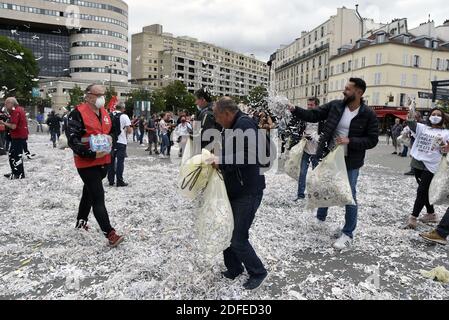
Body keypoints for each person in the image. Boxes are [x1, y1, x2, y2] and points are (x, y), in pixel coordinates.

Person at [288, 78, 379, 250]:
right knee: (323, 185)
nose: (344, 91)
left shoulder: (368, 114)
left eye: (348, 89)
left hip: (350, 161)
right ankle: (321, 218)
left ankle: (348, 233)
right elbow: (314, 115)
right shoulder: (336, 106)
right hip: (329, 156)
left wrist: (350, 140)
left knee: (349, 195)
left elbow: (372, 140)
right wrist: (294, 109)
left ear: (358, 93)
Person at [211, 97, 268, 291]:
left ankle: (258, 271)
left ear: (227, 114)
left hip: (248, 191)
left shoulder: (244, 124)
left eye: (217, 117)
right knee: (226, 231)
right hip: (235, 188)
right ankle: (234, 268)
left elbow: (250, 156)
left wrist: (221, 161)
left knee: (238, 237)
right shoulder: (232, 126)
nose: (216, 121)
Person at [66, 84, 124, 247]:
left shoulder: (105, 113)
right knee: (98, 197)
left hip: (103, 161)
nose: (102, 97)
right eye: (98, 94)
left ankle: (81, 221)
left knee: (88, 193)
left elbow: (114, 130)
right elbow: (73, 140)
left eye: (103, 94)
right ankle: (110, 234)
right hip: (86, 162)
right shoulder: (77, 113)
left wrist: (111, 137)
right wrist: (91, 153)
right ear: (88, 96)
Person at [404, 107, 449, 229]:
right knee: (424, 190)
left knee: (422, 190)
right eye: (433, 114)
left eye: (438, 115)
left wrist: (447, 147)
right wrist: (411, 112)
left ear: (442, 118)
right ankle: (431, 214)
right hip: (418, 162)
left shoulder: (446, 132)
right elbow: (411, 123)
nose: (435, 116)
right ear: (429, 116)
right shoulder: (422, 127)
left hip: (433, 164)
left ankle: (413, 217)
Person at [296, 97, 321, 201]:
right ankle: (300, 195)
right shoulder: (305, 117)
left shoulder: (322, 117)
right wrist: (302, 135)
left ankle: (316, 195)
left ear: (317, 105)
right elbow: (299, 130)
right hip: (306, 149)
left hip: (317, 151)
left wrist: (316, 137)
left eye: (311, 105)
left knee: (317, 174)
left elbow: (326, 133)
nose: (309, 107)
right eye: (308, 104)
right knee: (302, 173)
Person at [0, 97, 29, 179]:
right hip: (21, 136)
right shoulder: (19, 109)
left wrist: (3, 123)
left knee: (15, 156)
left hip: (18, 136)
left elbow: (13, 126)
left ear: (12, 103)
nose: (5, 105)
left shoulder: (15, 111)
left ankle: (19, 174)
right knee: (14, 155)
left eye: (6, 103)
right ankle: (16, 172)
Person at [107, 103, 132, 187]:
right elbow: (129, 131)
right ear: (123, 109)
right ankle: (119, 181)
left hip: (110, 141)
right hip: (121, 141)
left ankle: (110, 180)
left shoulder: (109, 115)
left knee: (111, 161)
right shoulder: (124, 116)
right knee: (120, 162)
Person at [194, 88, 222, 152]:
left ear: (202, 99)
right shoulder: (214, 109)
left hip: (208, 151)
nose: (195, 103)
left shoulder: (207, 113)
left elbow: (206, 135)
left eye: (197, 100)